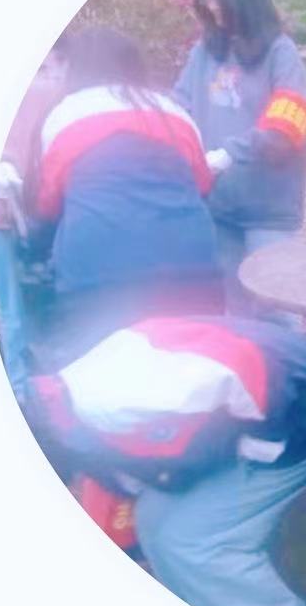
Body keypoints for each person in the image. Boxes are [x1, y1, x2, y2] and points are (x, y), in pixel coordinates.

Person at [25, 314, 306, 606]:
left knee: (190, 540)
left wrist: (260, 447)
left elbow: (248, 370)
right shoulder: (62, 409)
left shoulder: (106, 403)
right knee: (155, 521)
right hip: (268, 397)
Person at [23, 27, 223, 366]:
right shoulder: (175, 113)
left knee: (105, 374)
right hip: (193, 270)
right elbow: (202, 185)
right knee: (190, 371)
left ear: (78, 67)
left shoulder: (66, 114)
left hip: (98, 278)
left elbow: (46, 205)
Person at [173, 0, 306, 317]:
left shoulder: (281, 54)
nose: (210, 5)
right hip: (218, 207)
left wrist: (228, 154)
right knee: (235, 315)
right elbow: (178, 108)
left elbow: (287, 126)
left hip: (269, 213)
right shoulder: (203, 54)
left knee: (277, 313)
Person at [0, 37, 68, 400]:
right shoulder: (45, 90)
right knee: (12, 309)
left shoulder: (38, 91)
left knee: (10, 308)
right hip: (9, 211)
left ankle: (22, 389)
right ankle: (23, 391)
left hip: (6, 212)